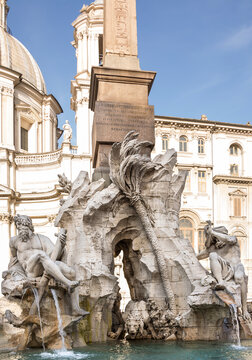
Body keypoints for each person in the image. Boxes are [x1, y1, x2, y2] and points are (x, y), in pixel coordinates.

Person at [9, 214, 88, 316]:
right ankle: (67, 282)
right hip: (30, 271)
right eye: (18, 226)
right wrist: (18, 276)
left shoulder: (42, 238)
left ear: (30, 226)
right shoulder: (14, 241)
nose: (20, 228)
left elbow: (53, 255)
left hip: (45, 266)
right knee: (40, 254)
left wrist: (61, 244)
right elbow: (14, 261)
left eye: (23, 225)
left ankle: (75, 308)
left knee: (71, 272)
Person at [197, 221, 250, 319]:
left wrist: (212, 232)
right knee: (212, 255)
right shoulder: (213, 249)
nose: (217, 241)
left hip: (236, 266)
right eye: (215, 239)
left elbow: (229, 239)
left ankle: (244, 309)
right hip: (226, 271)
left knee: (239, 277)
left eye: (218, 237)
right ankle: (220, 281)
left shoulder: (232, 240)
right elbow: (196, 257)